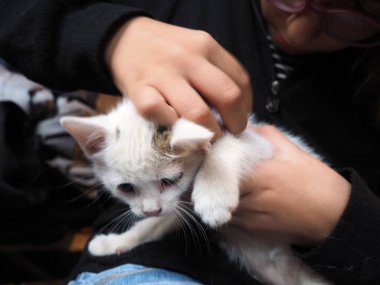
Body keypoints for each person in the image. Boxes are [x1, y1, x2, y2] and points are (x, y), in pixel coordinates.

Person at [0, 0, 379, 284]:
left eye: (348, 14)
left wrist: (349, 221)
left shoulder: (195, 142)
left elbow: (239, 142)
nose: (298, 28)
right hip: (160, 267)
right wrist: (114, 36)